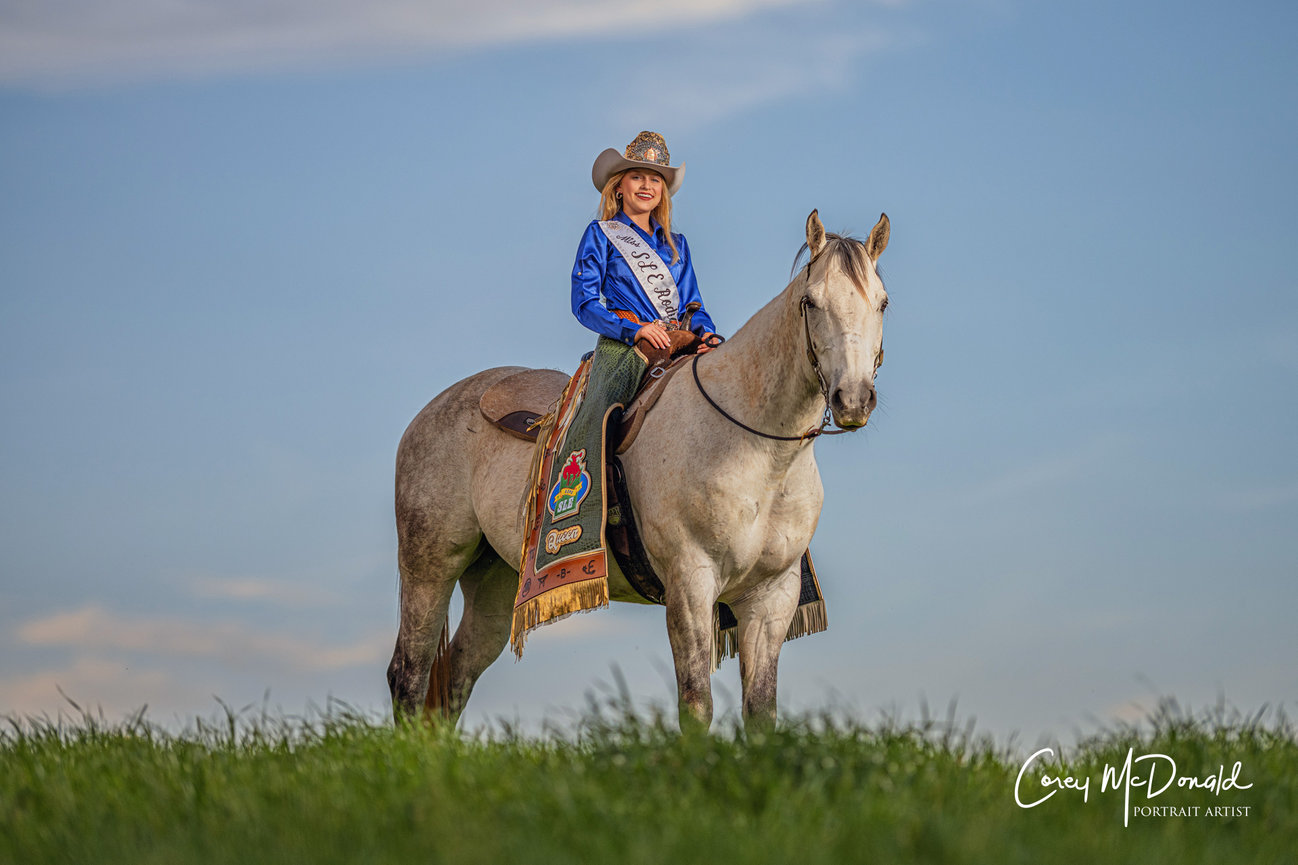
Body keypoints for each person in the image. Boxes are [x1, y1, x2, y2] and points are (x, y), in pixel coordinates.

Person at [571, 131, 720, 353]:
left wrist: (707, 332)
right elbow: (584, 303)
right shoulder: (601, 234)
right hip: (625, 343)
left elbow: (693, 305)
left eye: (655, 180)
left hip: (676, 342)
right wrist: (634, 330)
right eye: (637, 177)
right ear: (619, 187)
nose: (646, 186)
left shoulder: (677, 245)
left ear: (662, 191)